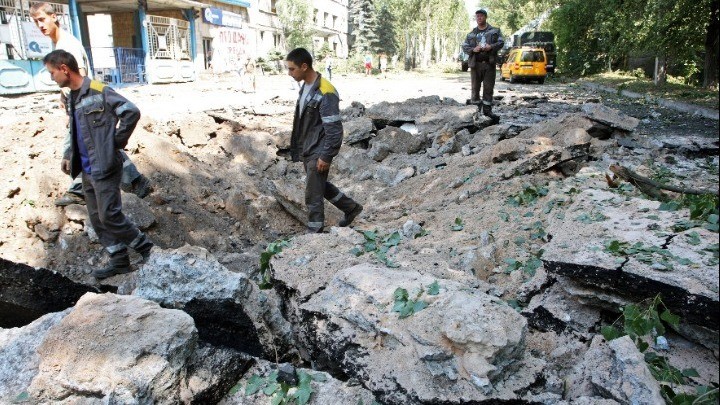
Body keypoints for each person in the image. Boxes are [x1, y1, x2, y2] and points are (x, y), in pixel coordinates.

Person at [43, 50, 154, 279]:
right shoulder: (71, 97)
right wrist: (68, 153)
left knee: (109, 215)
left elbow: (131, 111)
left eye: (52, 72)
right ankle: (119, 259)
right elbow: (75, 130)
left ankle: (146, 249)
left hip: (104, 165)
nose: (51, 77)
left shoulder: (98, 90)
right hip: (86, 169)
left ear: (64, 68)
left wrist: (116, 141)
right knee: (96, 217)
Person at [30, 2, 152, 207]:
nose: (40, 25)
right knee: (99, 143)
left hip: (89, 103)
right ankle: (136, 181)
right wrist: (65, 99)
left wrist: (79, 104)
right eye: (36, 22)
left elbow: (81, 77)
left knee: (84, 143)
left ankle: (79, 190)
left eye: (42, 19)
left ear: (54, 17)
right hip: (84, 102)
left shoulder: (67, 45)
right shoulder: (58, 44)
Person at [285, 48, 363, 233]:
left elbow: (334, 130)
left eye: (292, 69)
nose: (289, 73)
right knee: (318, 184)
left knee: (312, 192)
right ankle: (351, 208)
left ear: (304, 67)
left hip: (318, 149)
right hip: (308, 146)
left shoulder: (326, 91)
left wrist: (326, 156)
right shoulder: (305, 86)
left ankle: (315, 231)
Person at [462, 9, 504, 123]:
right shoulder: (471, 34)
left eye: (481, 16)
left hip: (489, 64)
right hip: (475, 65)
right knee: (475, 88)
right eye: (477, 16)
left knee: (488, 88)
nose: (479, 18)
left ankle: (487, 111)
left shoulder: (494, 31)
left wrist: (491, 47)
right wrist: (473, 49)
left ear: (485, 17)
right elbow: (464, 46)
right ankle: (475, 111)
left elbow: (501, 42)